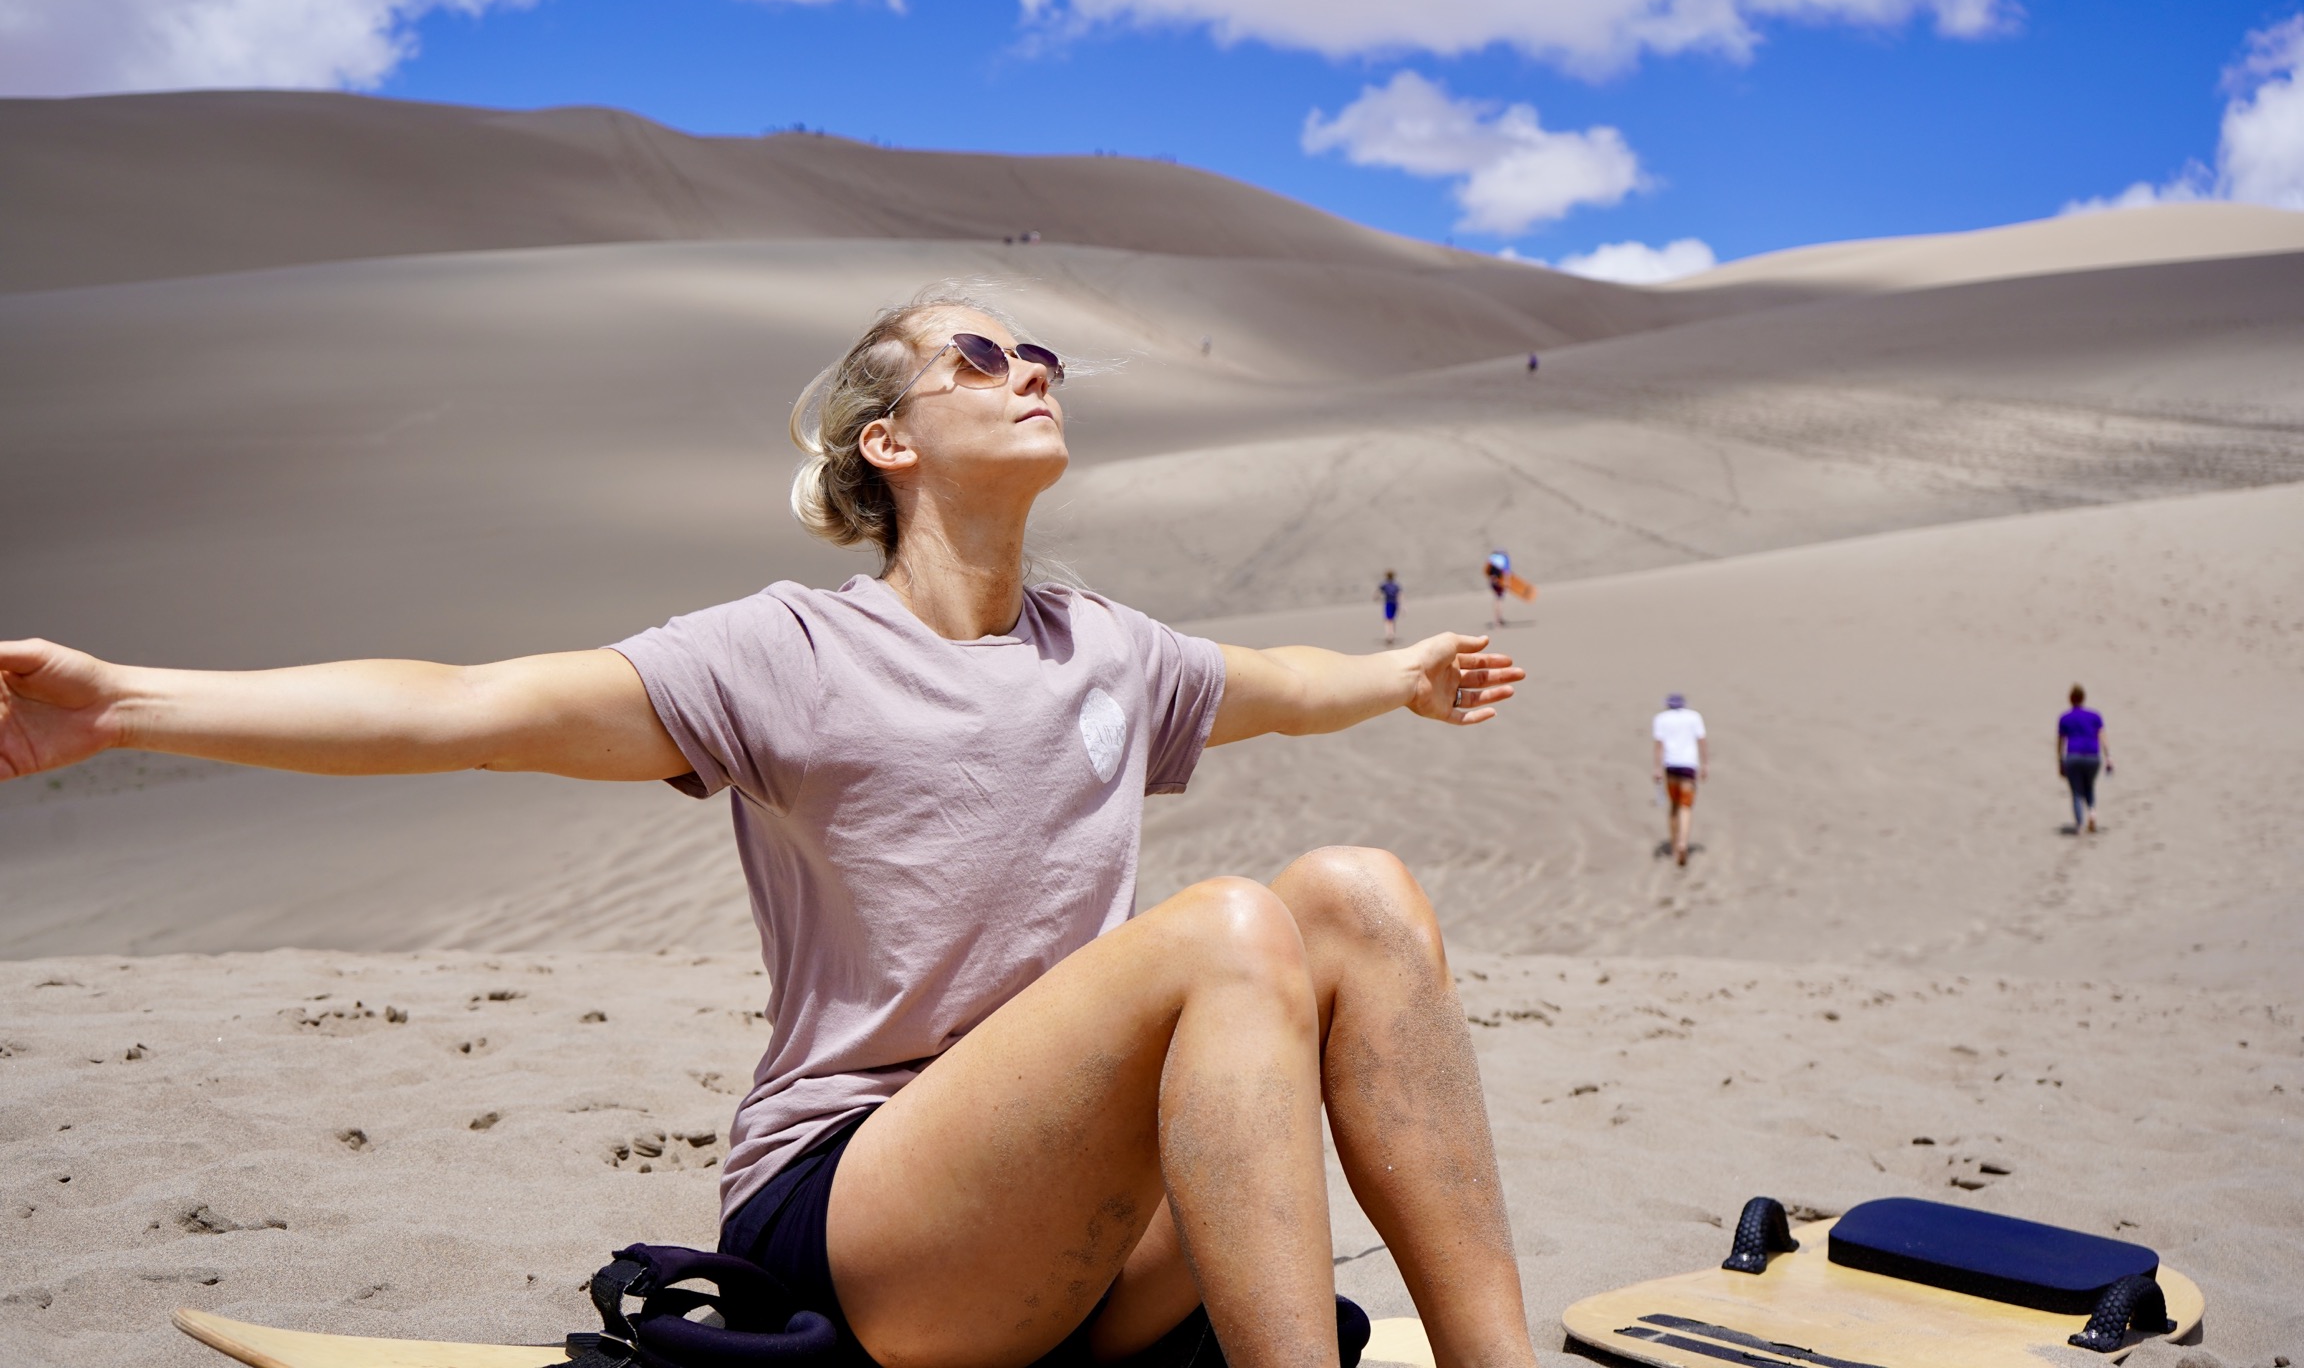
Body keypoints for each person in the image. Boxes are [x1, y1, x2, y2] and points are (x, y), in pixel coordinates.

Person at [0, 290, 1537, 1368]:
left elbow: (1281, 681)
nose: (1034, 371)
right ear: (891, 441)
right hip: (870, 1211)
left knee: (1359, 892)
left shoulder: (1109, 650)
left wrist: (1403, 675)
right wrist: (122, 702)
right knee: (1227, 933)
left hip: (1084, 1231)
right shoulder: (784, 654)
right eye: (986, 355)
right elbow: (461, 705)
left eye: (1047, 351)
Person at [1650, 692, 1707, 867]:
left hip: (1671, 766)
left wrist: (1657, 768)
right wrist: (1705, 764)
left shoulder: (1661, 719)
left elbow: (1659, 745)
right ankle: (1683, 842)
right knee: (1686, 807)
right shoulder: (1694, 717)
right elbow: (1702, 741)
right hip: (1688, 766)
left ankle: (1675, 846)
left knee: (1674, 806)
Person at [2057, 684, 2111, 834]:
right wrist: (2109, 757)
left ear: (2070, 699)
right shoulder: (2095, 716)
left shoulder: (2064, 718)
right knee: (2089, 785)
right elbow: (2102, 737)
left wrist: (2060, 761)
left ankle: (2079, 824)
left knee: (2076, 791)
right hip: (2093, 756)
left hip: (2073, 756)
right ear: (2083, 698)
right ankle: (2092, 812)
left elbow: (2060, 742)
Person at [1484, 550, 1510, 628]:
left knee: (1496, 599)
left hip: (1493, 582)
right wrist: (1506, 582)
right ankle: (1498, 621)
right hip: (1500, 582)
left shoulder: (1492, 558)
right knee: (1499, 600)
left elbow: (1487, 571)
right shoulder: (1504, 559)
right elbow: (1506, 571)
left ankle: (1497, 620)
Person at [1376, 569, 1402, 645]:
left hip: (1388, 603)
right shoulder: (1396, 585)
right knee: (1392, 620)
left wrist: (1376, 597)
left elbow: (1377, 592)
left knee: (1388, 620)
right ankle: (1392, 633)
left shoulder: (1385, 585)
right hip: (1395, 604)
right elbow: (1400, 595)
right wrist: (1401, 606)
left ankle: (1389, 634)